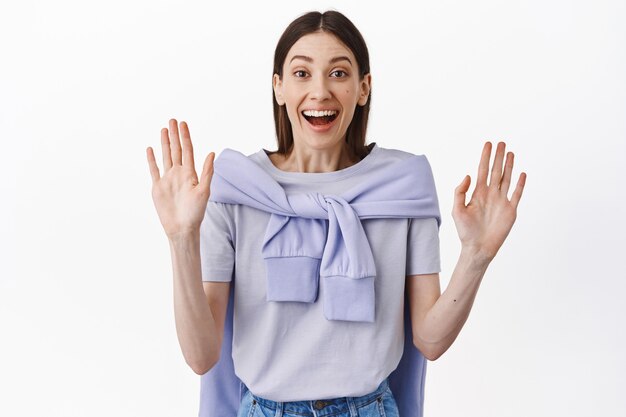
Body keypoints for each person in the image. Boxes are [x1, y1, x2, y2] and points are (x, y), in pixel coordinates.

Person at [146, 10, 526, 417]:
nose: (321, 91)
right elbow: (202, 357)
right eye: (302, 73)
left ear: (363, 89)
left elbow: (430, 341)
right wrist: (181, 239)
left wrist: (476, 256)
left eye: (339, 74)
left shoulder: (402, 185)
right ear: (279, 87)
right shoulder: (235, 188)